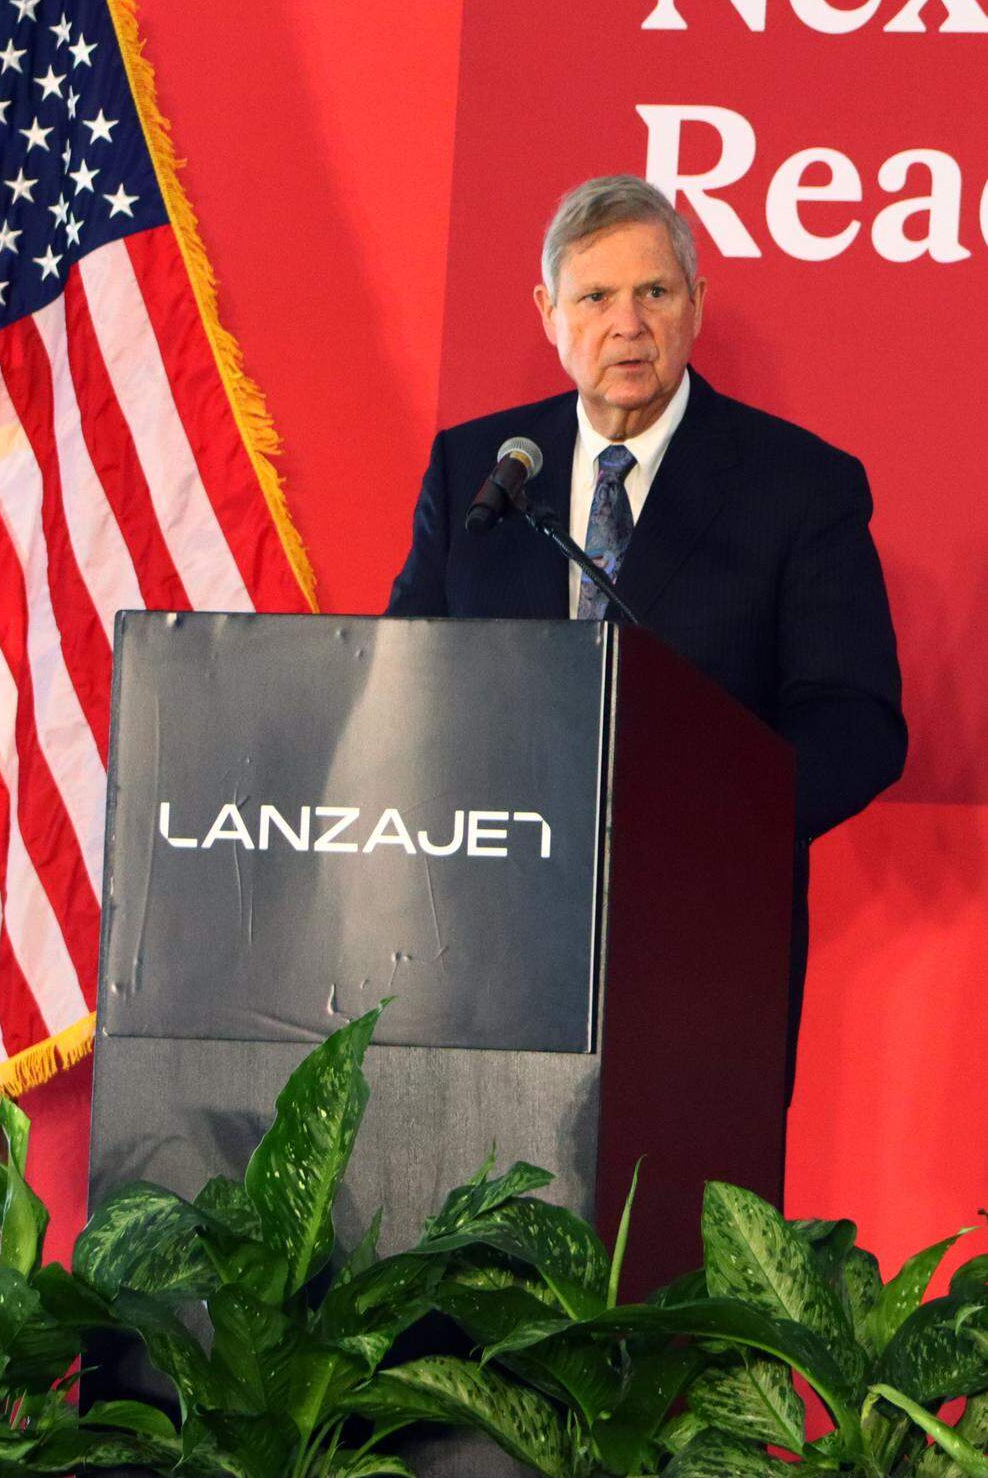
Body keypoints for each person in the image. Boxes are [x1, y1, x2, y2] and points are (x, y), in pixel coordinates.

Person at [387, 174, 907, 1090]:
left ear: (697, 305)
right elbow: (405, 676)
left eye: (655, 293)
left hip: (700, 941)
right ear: (549, 312)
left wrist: (709, 827)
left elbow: (855, 722)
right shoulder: (483, 468)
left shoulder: (799, 485)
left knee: (670, 1216)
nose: (627, 324)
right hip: (482, 936)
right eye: (595, 297)